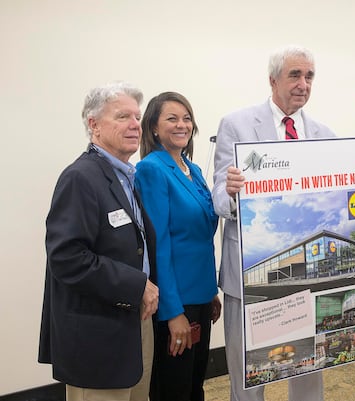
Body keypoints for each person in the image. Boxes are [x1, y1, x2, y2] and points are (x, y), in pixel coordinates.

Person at [211, 44, 335, 401]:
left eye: (309, 76)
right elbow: (219, 193)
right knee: (249, 375)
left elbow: (332, 197)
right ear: (272, 80)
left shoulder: (323, 134)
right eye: (295, 75)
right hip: (251, 269)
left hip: (308, 271)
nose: (303, 83)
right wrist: (232, 194)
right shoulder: (236, 123)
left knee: (309, 366)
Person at [38, 82, 159, 401]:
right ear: (93, 124)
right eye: (123, 116)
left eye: (137, 116)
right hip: (97, 335)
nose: (135, 124)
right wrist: (137, 285)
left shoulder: (124, 176)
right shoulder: (81, 178)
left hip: (133, 322)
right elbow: (67, 258)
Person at [135, 91, 221, 401]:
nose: (181, 125)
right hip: (176, 301)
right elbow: (159, 245)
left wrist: (210, 292)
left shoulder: (192, 169)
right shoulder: (152, 169)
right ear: (154, 128)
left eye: (186, 118)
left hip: (199, 295)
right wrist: (172, 313)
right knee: (174, 390)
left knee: (194, 384)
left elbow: (200, 235)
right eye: (172, 118)